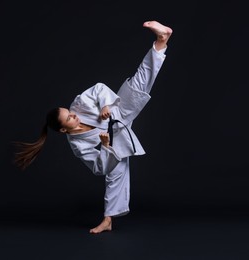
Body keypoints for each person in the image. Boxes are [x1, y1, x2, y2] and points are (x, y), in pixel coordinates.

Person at [13, 20, 173, 234]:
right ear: (63, 130)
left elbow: (98, 88)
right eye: (70, 118)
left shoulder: (78, 103)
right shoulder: (78, 146)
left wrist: (106, 104)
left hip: (118, 112)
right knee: (115, 173)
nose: (73, 115)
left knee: (139, 82)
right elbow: (99, 167)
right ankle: (108, 220)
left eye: (70, 112)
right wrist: (106, 146)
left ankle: (161, 40)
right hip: (116, 139)